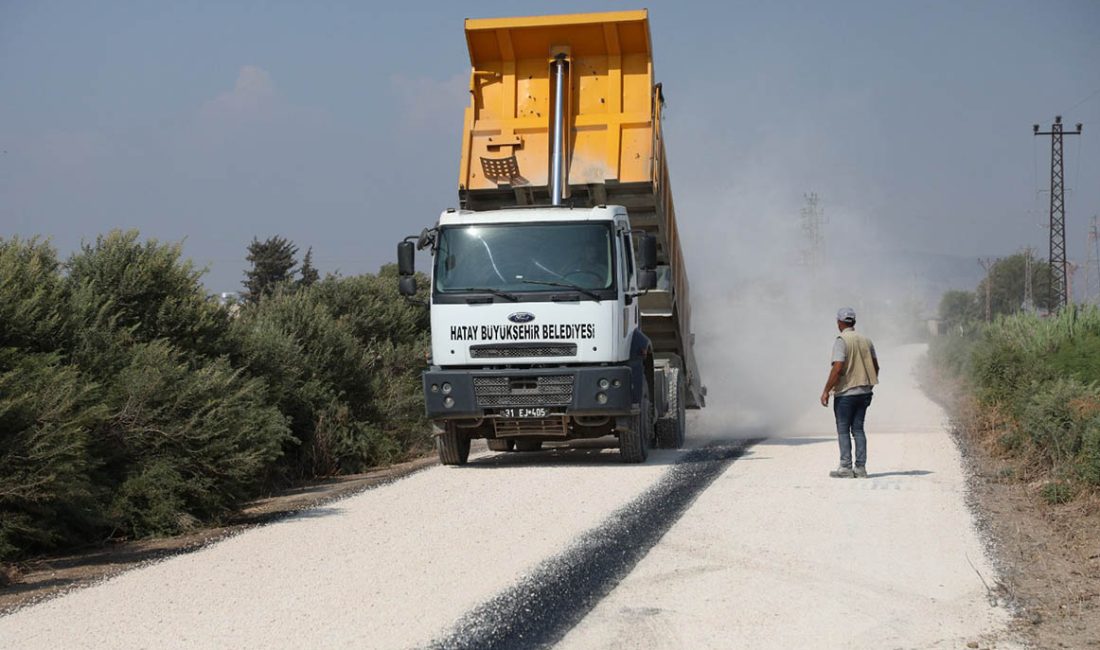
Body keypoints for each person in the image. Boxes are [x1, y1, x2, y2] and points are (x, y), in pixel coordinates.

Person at [819, 307, 880, 478]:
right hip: (864, 392)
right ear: (854, 322)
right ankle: (861, 469)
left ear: (839, 322)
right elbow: (876, 366)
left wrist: (826, 391)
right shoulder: (866, 340)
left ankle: (845, 467)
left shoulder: (841, 340)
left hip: (846, 393)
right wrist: (869, 386)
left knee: (843, 429)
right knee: (858, 429)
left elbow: (838, 368)